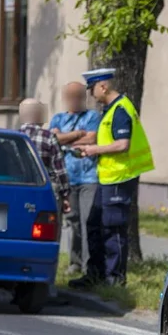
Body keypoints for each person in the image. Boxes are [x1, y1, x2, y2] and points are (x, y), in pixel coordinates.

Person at [74, 68, 155, 287]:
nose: (91, 95)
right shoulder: (110, 110)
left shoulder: (120, 110)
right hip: (108, 178)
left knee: (113, 228)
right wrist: (85, 144)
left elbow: (122, 144)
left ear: (103, 86)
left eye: (92, 89)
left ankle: (115, 278)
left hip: (120, 177)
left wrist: (94, 150)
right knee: (94, 224)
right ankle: (95, 274)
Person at [19, 98, 71, 298]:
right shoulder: (48, 137)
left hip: (18, 191)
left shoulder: (14, 137)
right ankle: (47, 287)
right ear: (41, 116)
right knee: (49, 240)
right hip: (46, 192)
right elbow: (60, 169)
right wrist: (66, 194)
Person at [49, 82, 101, 276]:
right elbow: (53, 140)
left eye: (78, 96)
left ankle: (89, 266)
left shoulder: (92, 116)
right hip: (67, 176)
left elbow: (92, 139)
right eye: (70, 96)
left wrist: (65, 137)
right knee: (73, 222)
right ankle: (75, 262)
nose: (74, 100)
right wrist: (78, 134)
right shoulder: (58, 118)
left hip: (89, 176)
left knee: (88, 221)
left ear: (84, 97)